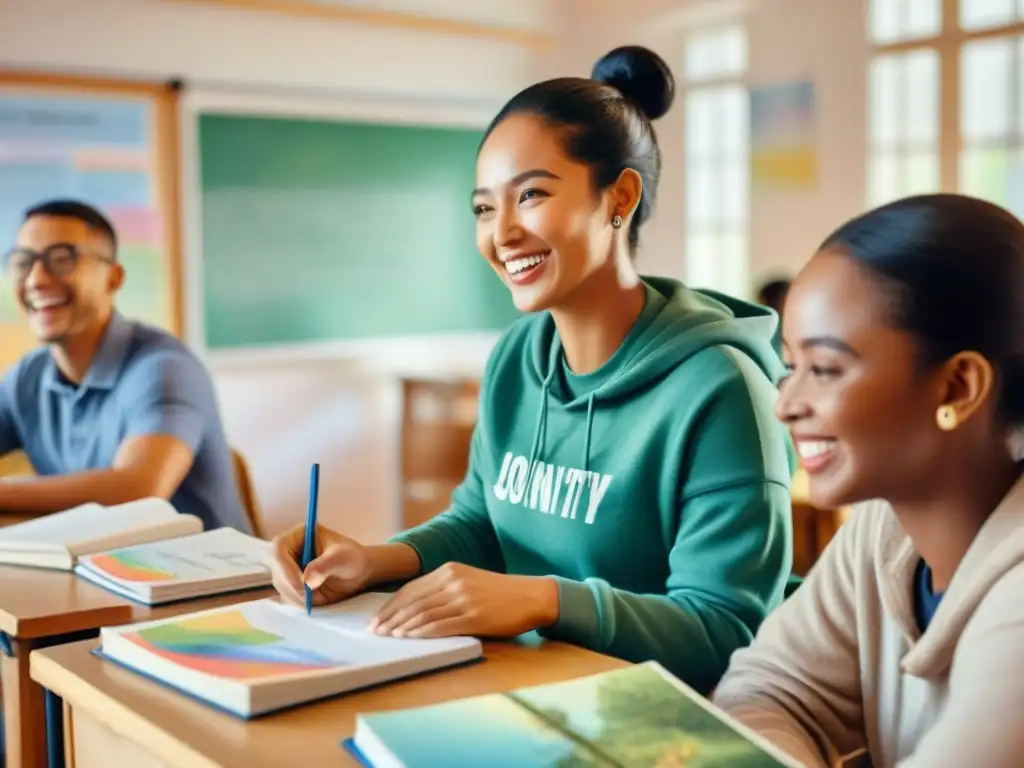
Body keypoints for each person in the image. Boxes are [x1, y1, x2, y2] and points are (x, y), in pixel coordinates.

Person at [269, 46, 792, 693]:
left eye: (532, 195)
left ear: (618, 197)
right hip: (524, 688)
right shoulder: (519, 356)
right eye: (484, 208)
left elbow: (726, 632)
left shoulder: (717, 389)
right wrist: (374, 562)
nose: (502, 232)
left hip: (660, 725)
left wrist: (546, 600)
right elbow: (481, 522)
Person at [713, 194, 1024, 767]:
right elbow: (765, 691)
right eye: (791, 366)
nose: (786, 404)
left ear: (957, 387)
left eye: (825, 370)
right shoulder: (886, 525)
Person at [0, 199, 250, 533]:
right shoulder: (26, 378)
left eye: (62, 259)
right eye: (23, 262)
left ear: (113, 278)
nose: (36, 280)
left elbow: (138, 489)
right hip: (100, 573)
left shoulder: (163, 368)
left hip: (209, 580)